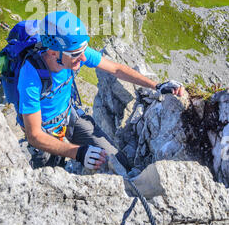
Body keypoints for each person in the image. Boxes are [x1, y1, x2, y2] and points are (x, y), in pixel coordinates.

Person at [17, 11, 185, 171]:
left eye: (84, 51)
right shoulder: (31, 76)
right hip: (44, 131)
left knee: (115, 160)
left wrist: (156, 86)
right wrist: (78, 153)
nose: (83, 58)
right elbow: (34, 135)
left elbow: (117, 69)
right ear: (53, 53)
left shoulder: (72, 51)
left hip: (68, 116)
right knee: (52, 177)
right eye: (76, 54)